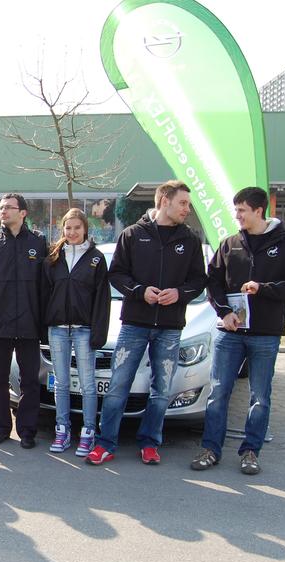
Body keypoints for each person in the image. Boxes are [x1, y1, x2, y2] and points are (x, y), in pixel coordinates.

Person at [192, 187, 285, 475]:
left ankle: (250, 452)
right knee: (218, 392)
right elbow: (213, 282)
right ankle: (210, 449)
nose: (237, 216)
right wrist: (225, 312)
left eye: (242, 210)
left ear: (259, 211)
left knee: (260, 396)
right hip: (230, 333)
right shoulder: (229, 244)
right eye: (236, 210)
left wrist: (264, 289)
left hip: (266, 334)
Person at [86, 180, 206, 466]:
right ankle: (105, 443)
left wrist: (179, 293)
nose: (187, 210)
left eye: (188, 204)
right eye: (183, 203)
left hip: (170, 328)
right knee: (118, 386)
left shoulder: (189, 240)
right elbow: (116, 275)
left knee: (161, 391)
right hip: (134, 325)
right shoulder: (132, 234)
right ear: (164, 201)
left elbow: (199, 280)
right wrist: (140, 292)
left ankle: (150, 443)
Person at [0, 193, 48, 448]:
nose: (3, 211)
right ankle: (1, 429)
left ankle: (27, 431)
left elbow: (45, 285)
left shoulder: (38, 242)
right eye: (1, 208)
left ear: (23, 213)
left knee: (29, 381)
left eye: (9, 207)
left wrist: (43, 319)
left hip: (29, 322)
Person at [41, 208, 110, 456]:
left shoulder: (96, 259)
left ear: (85, 229)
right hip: (58, 330)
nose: (72, 232)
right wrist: (44, 327)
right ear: (62, 229)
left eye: (77, 228)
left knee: (87, 384)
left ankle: (89, 431)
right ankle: (62, 430)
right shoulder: (53, 257)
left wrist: (98, 333)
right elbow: (44, 294)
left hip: (84, 330)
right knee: (60, 383)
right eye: (68, 228)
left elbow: (102, 299)